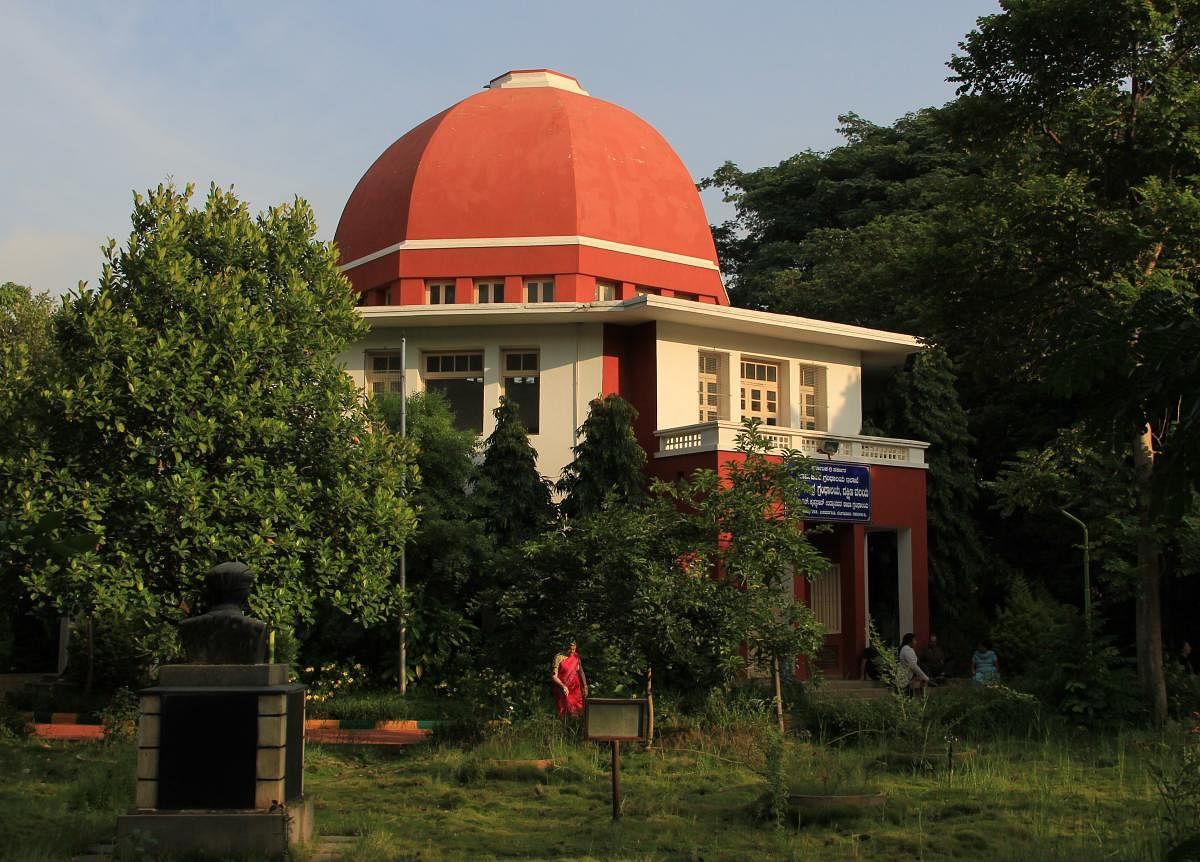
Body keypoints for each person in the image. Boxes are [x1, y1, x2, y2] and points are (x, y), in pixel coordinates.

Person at [551, 641, 588, 717]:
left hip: (576, 689)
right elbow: (554, 676)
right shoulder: (559, 657)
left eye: (574, 649)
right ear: (566, 647)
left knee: (577, 712)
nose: (572, 651)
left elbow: (580, 671)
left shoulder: (576, 656)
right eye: (570, 649)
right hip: (564, 689)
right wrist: (563, 686)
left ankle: (576, 727)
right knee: (565, 711)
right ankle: (564, 727)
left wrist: (585, 685)